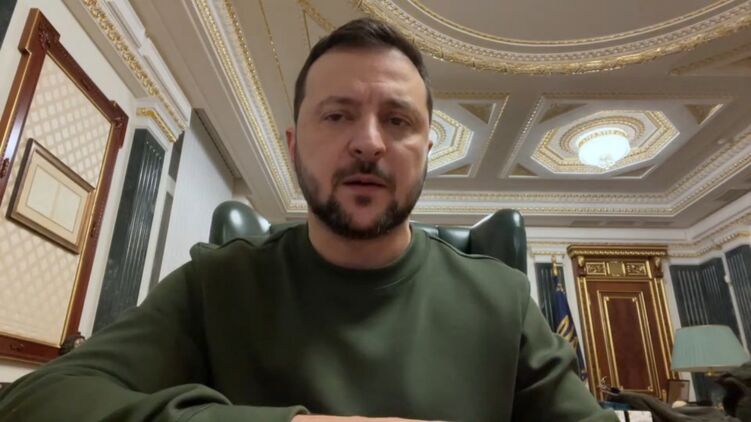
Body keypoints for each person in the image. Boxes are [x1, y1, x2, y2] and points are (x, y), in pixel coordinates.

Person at [0, 18, 616, 422]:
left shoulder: (503, 300)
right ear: (294, 147)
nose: (368, 142)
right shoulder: (218, 284)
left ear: (427, 151)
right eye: (337, 115)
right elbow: (36, 403)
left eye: (398, 120)